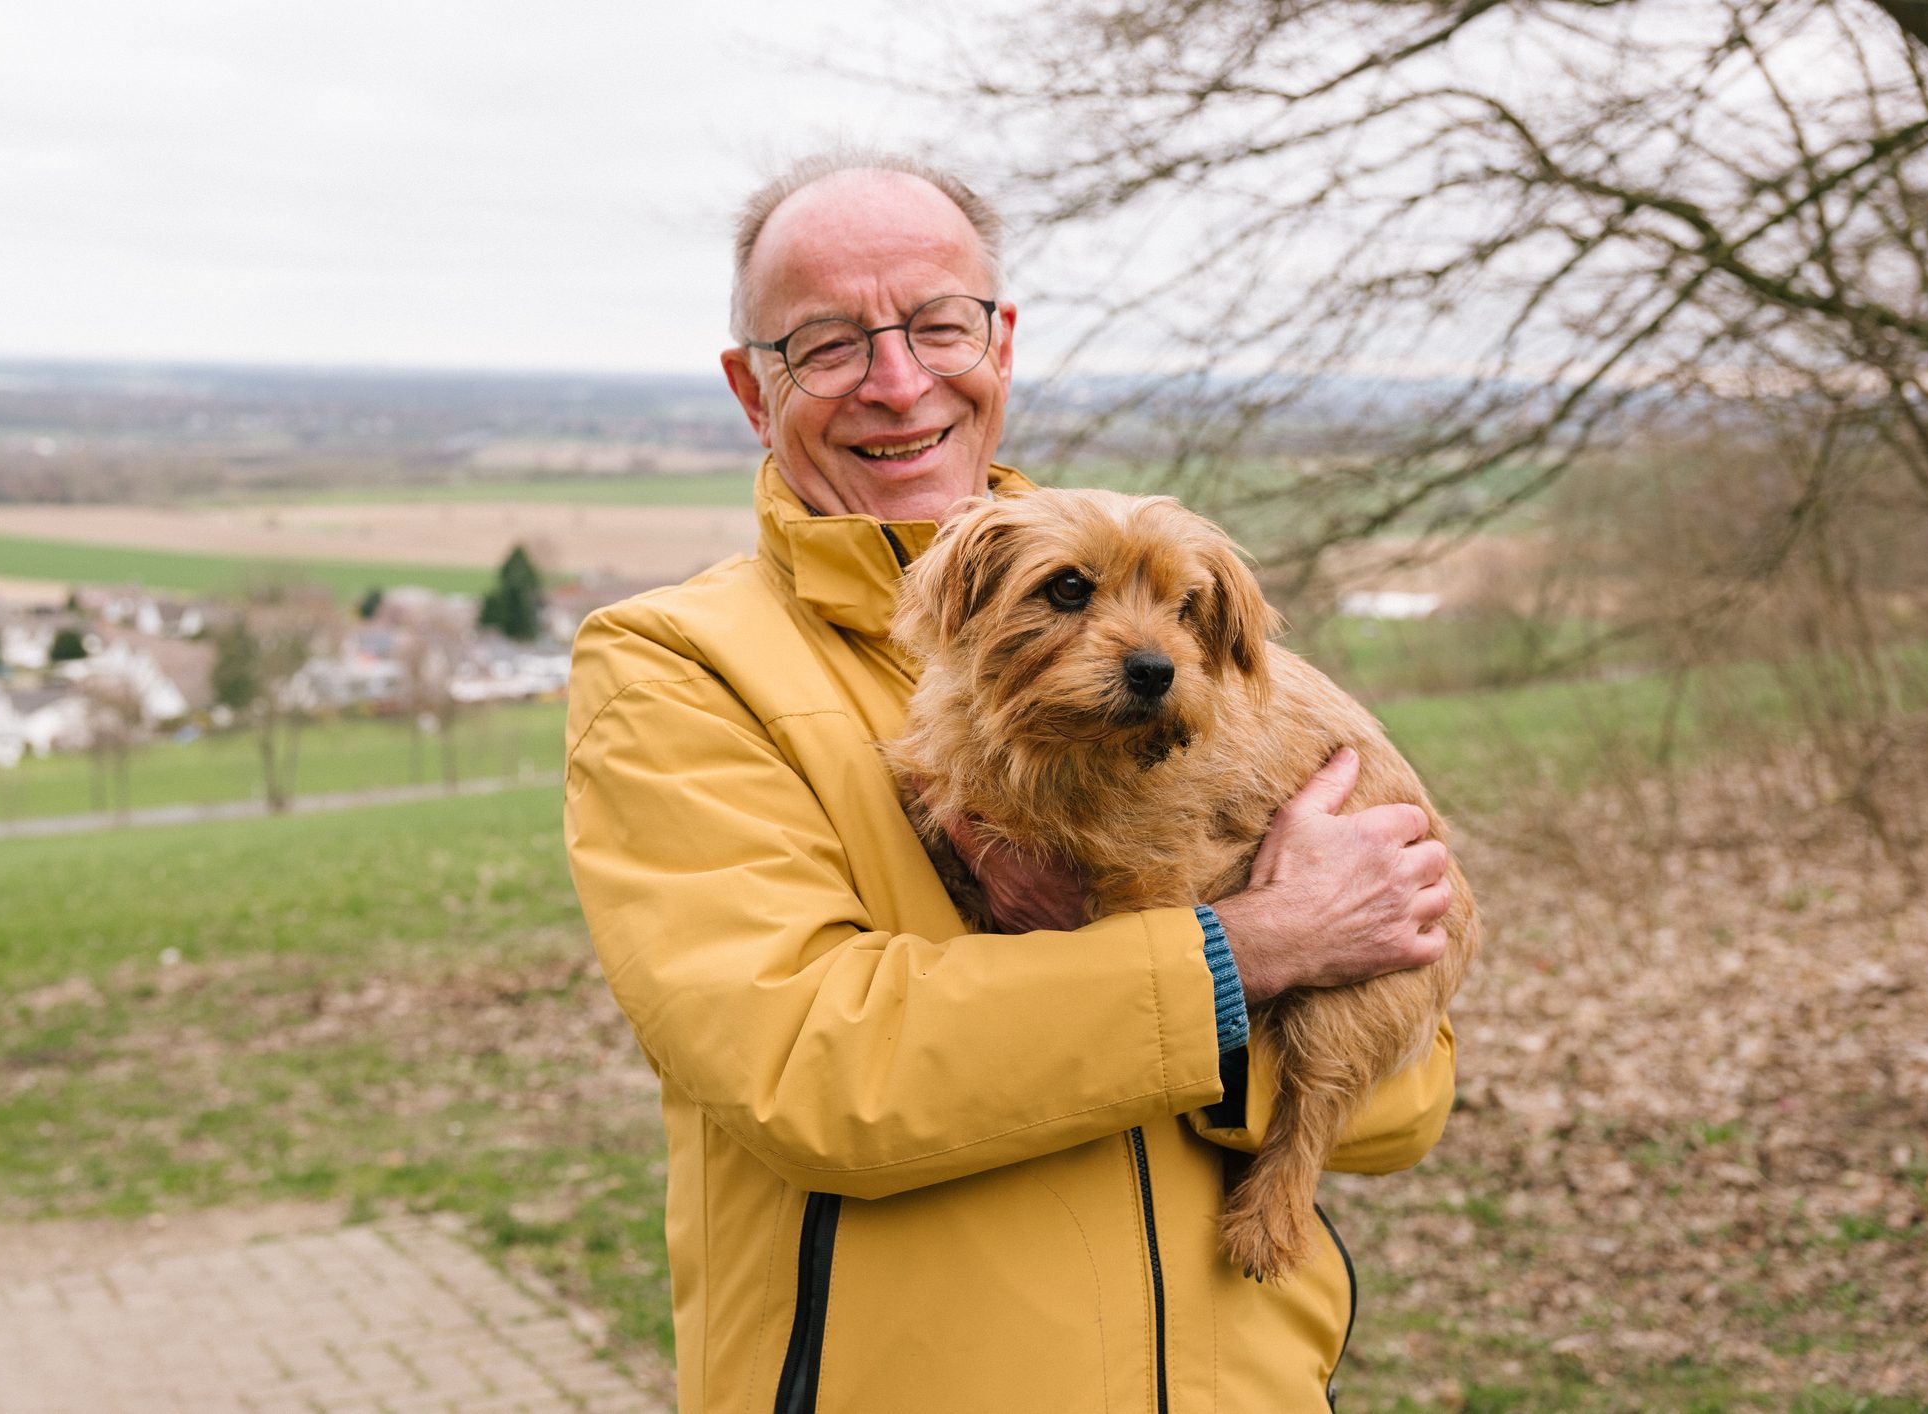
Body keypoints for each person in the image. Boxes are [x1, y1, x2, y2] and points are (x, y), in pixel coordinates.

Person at [563, 152, 1456, 1414]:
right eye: (826, 344)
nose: (896, 381)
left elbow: (1406, 1106)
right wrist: (1242, 954)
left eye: (938, 325)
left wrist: (1279, 996)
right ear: (750, 392)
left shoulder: (1172, 633)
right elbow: (816, 1070)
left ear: (1002, 342)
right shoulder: (677, 666)